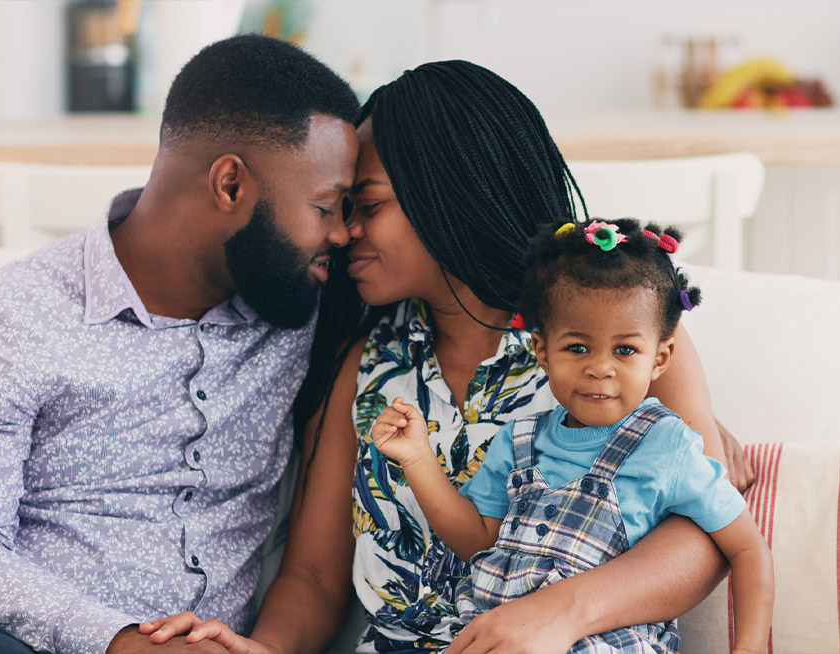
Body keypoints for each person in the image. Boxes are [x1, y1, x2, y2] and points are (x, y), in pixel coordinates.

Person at [139, 61, 754, 654]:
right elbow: (314, 578)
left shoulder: (611, 338)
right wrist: (264, 649)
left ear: (444, 197)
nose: (346, 229)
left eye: (368, 205)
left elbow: (707, 532)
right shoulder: (368, 365)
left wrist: (559, 612)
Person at [0, 34, 361, 654]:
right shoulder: (18, 313)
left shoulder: (300, 312)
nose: (343, 235)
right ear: (230, 185)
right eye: (325, 207)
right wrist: (123, 643)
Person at [371, 218, 774, 653]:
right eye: (577, 347)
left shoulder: (668, 445)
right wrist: (416, 459)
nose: (600, 367)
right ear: (543, 352)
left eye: (625, 350)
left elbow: (748, 550)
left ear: (661, 359)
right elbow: (476, 541)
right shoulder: (519, 442)